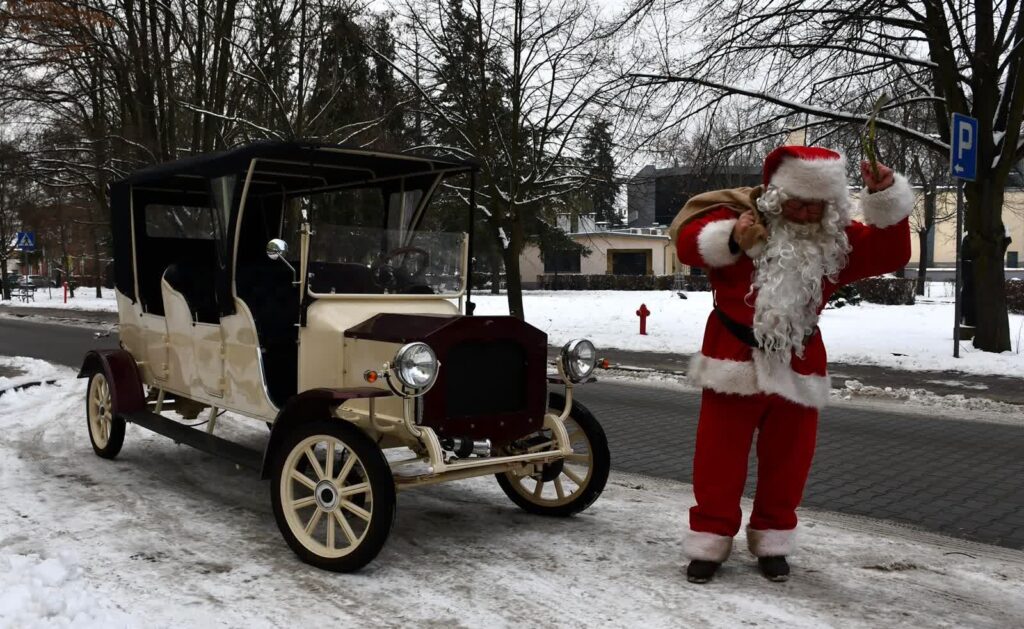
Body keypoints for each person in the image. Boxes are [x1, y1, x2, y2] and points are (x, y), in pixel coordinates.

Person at [668, 146, 914, 583]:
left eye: (816, 205)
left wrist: (886, 196)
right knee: (717, 462)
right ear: (777, 198)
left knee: (789, 461)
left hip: (799, 362)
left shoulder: (836, 244)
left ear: (831, 205)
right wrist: (730, 238)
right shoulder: (743, 225)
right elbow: (688, 244)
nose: (805, 213)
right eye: (797, 202)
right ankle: (710, 540)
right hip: (733, 358)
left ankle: (773, 539)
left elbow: (891, 254)